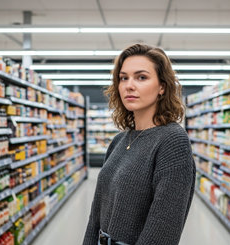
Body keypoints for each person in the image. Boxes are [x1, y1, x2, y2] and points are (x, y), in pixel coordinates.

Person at [83, 43, 195, 245]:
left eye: (141, 77)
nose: (129, 85)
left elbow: (163, 232)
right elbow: (95, 215)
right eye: (123, 78)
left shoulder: (172, 141)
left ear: (162, 86)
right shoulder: (119, 140)